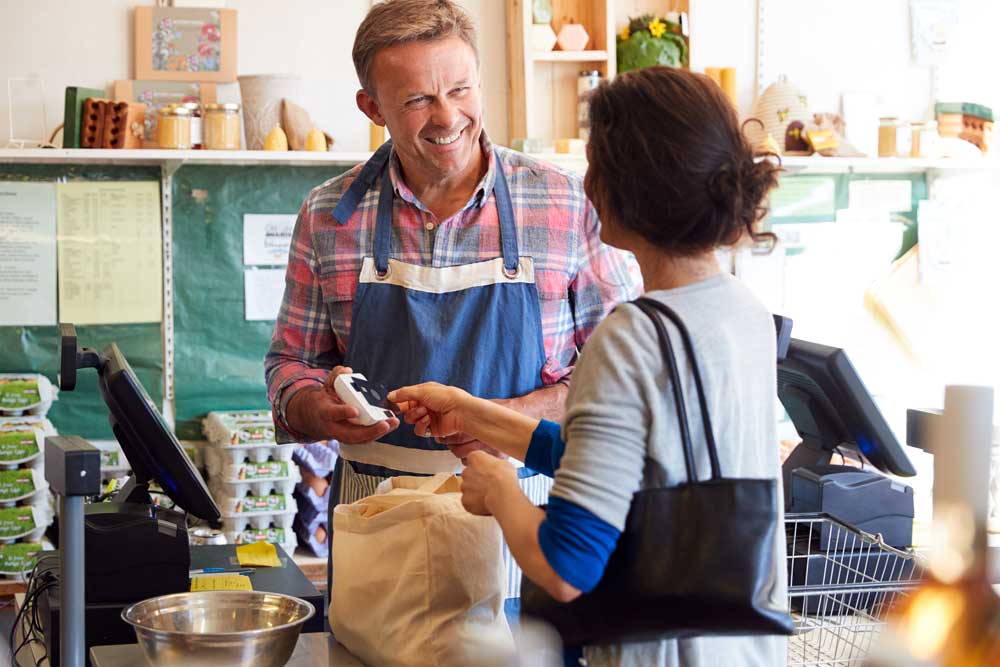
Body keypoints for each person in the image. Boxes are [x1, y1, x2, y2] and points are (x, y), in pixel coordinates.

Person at [389, 66, 788, 667]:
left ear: (622, 187)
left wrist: (496, 487)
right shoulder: (742, 310)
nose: (586, 181)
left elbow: (565, 566)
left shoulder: (631, 335)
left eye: (595, 161)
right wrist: (475, 414)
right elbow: (640, 471)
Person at [263, 0, 640, 606]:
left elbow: (620, 380)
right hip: (376, 521)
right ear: (372, 108)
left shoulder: (565, 204)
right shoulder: (329, 216)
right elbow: (289, 361)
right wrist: (312, 407)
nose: (448, 117)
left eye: (460, 89)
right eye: (417, 101)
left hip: (526, 518)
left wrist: (497, 421)